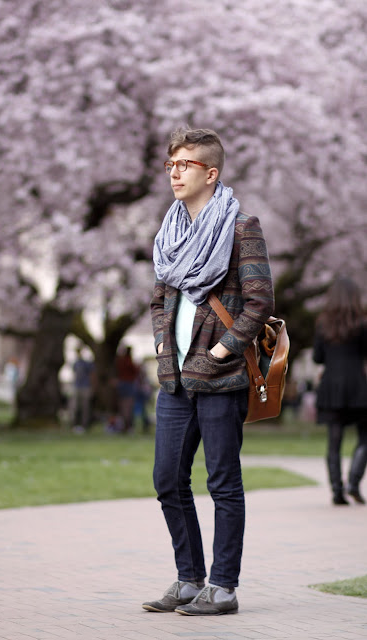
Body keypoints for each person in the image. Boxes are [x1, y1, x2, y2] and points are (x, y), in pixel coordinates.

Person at [143, 127, 274, 616]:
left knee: (223, 482)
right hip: (175, 378)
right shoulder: (170, 230)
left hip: (220, 378)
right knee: (167, 480)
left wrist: (221, 351)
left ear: (211, 173)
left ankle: (223, 586)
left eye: (186, 165)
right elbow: (160, 297)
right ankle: (188, 577)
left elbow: (260, 301)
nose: (175, 173)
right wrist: (161, 342)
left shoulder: (242, 227)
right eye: (170, 165)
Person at [313, 276, 367, 505]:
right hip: (359, 387)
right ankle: (354, 481)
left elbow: (317, 357)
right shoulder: (363, 323)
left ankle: (337, 490)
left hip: (331, 387)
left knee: (334, 441)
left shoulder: (322, 324)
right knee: (365, 436)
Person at [115, 346, 139, 432]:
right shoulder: (129, 361)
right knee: (128, 405)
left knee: (123, 405)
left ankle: (124, 425)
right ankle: (128, 425)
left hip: (122, 383)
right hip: (128, 384)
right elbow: (136, 371)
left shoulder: (120, 361)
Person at [72, 348, 95, 432]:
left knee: (85, 407)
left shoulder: (87, 363)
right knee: (75, 407)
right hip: (77, 386)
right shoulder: (75, 363)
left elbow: (92, 375)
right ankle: (75, 425)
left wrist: (92, 387)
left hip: (86, 387)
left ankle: (85, 425)